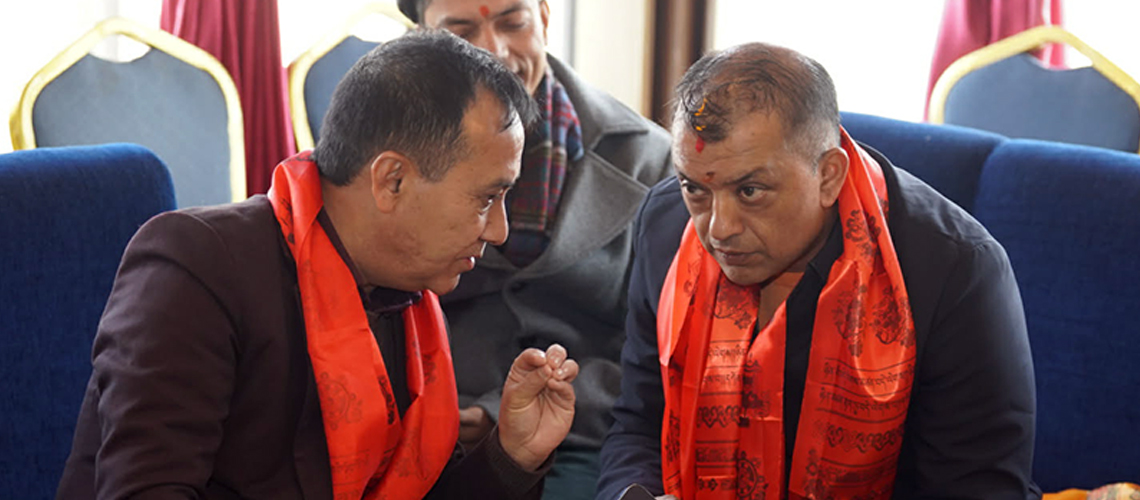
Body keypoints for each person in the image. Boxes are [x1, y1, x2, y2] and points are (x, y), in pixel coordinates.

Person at [56, 31, 581, 500]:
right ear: (391, 180)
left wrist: (512, 455)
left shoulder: (408, 301)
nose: (499, 230)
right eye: (486, 198)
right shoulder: (199, 266)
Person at [597, 43, 1040, 499]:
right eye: (695, 188)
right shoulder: (667, 226)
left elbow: (977, 487)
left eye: (750, 191)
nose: (718, 229)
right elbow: (639, 420)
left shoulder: (953, 270)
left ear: (828, 176)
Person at [396, 1, 674, 498]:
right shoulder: (388, 153)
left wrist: (504, 411)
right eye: (461, 30)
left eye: (513, 22)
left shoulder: (647, 159)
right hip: (430, 421)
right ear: (423, 35)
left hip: (583, 431)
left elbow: (657, 350)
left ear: (545, 16)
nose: (494, 51)